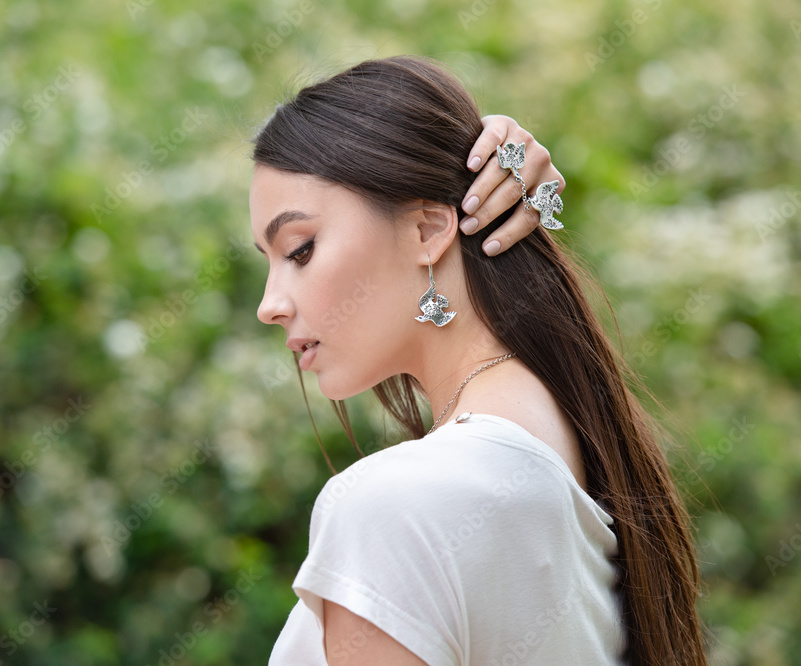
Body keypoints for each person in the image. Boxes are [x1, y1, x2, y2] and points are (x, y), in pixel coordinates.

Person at [250, 55, 707, 665]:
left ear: (428, 230)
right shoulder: (578, 446)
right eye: (269, 261)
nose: (270, 305)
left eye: (299, 250)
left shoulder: (389, 508)